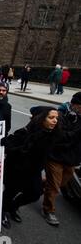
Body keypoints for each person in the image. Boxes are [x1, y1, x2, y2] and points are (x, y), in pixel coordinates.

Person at [1, 107, 60, 229]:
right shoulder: (24, 132)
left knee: (34, 193)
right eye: (51, 118)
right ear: (41, 119)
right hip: (16, 170)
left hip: (33, 171)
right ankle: (2, 211)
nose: (55, 121)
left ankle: (13, 207)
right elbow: (6, 145)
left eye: (56, 118)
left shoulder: (52, 135)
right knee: (10, 192)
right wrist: (22, 149)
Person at [42, 92, 81, 226]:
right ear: (75, 105)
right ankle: (49, 210)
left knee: (62, 183)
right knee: (54, 186)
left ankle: (42, 184)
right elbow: (60, 137)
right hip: (56, 156)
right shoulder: (60, 116)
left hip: (72, 158)